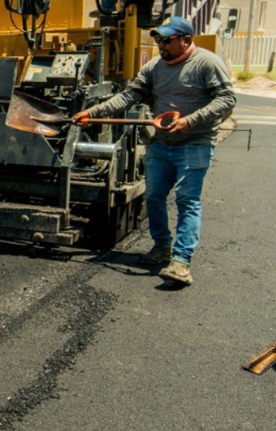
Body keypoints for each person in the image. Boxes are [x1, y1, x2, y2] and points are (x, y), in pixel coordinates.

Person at [72, 16, 235, 285]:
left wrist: (189, 120)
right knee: (156, 197)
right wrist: (93, 112)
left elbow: (227, 99)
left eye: (167, 40)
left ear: (186, 40)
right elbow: (128, 97)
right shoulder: (154, 67)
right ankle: (162, 247)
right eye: (158, 39)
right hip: (162, 143)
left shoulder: (206, 62)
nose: (160, 44)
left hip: (196, 142)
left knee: (187, 199)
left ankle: (181, 262)